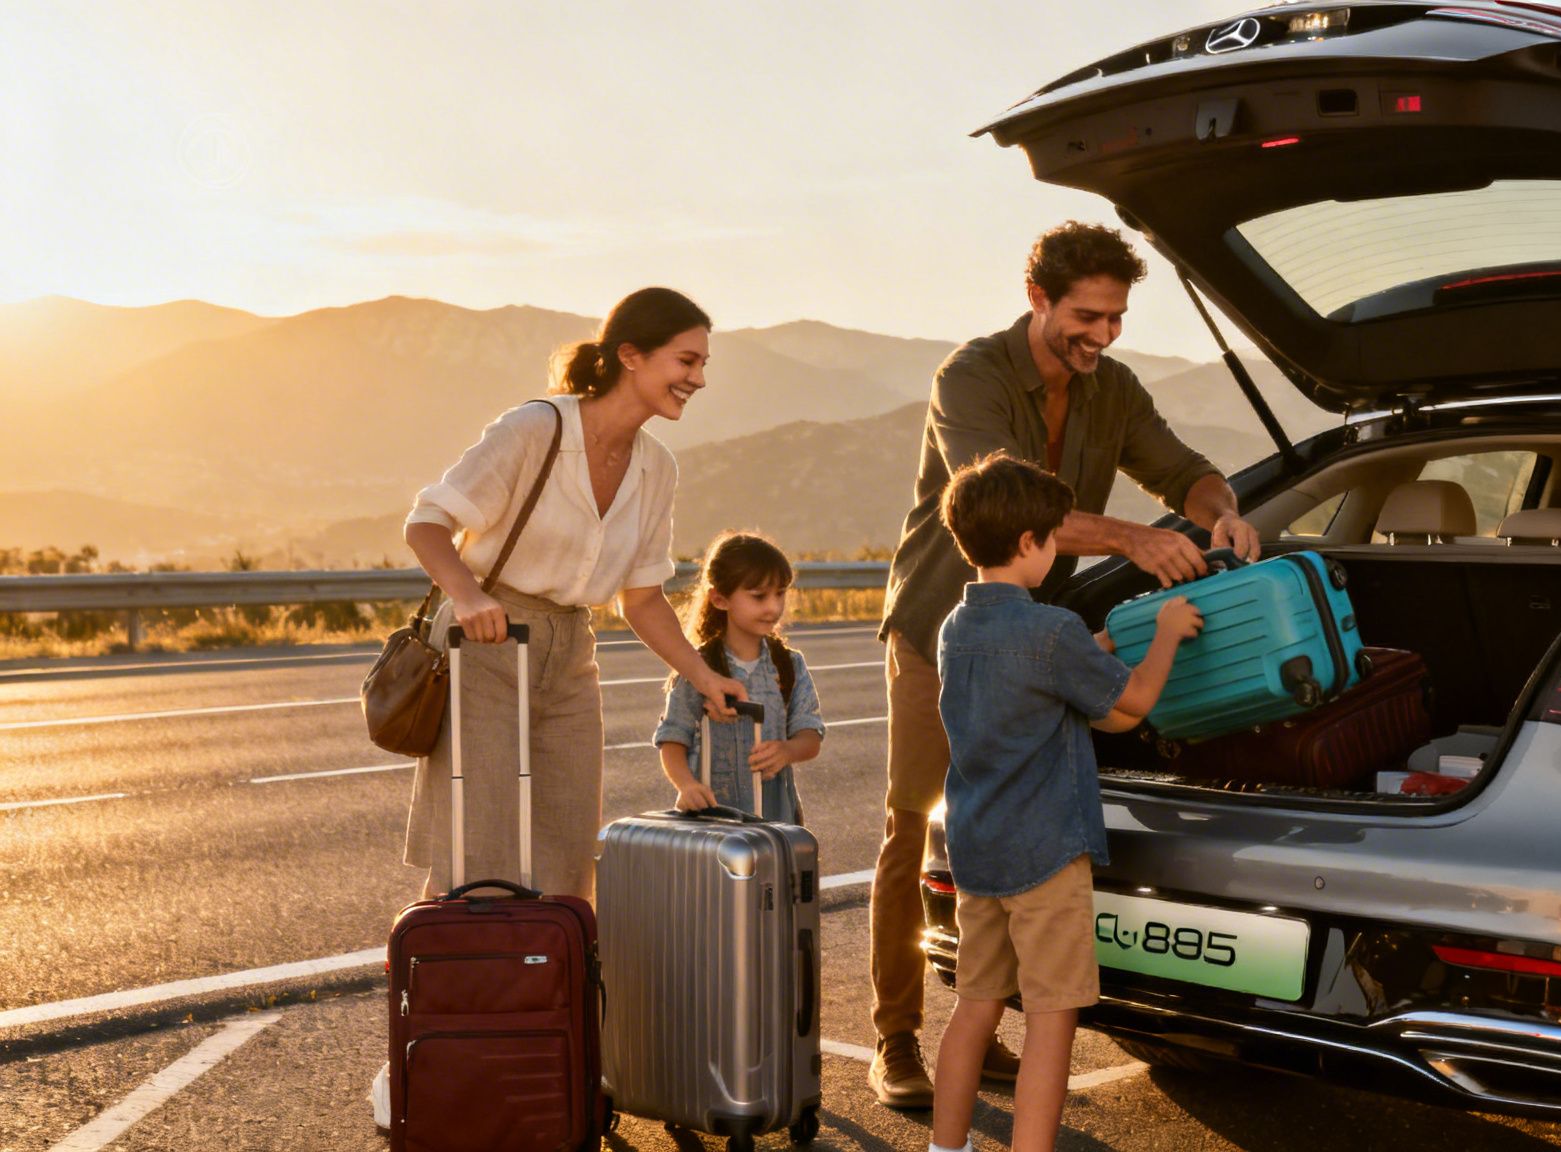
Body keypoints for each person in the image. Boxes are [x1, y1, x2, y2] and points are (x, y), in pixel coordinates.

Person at [867, 220, 1260, 1106]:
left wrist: (1219, 510)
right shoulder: (969, 375)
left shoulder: (1111, 387)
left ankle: (988, 1023)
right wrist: (1134, 537)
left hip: (1042, 634)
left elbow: (1185, 471)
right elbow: (995, 498)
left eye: (1117, 318)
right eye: (1088, 316)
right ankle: (896, 1038)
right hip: (944, 632)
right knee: (914, 827)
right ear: (1038, 298)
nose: (1104, 335)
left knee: (1024, 830)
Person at [401, 286, 748, 904]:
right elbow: (427, 523)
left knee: (568, 858)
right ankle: (440, 992)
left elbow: (642, 599)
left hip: (571, 653)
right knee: (478, 854)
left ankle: (551, 997)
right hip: (487, 643)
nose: (697, 378)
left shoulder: (656, 467)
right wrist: (471, 597)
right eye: (685, 361)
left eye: (702, 365)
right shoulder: (536, 428)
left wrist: (701, 674)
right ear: (631, 355)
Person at [925, 453, 1202, 1152]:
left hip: (978, 851)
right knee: (1052, 1022)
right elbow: (1128, 707)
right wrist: (1165, 633)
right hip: (1045, 855)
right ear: (1029, 545)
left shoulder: (956, 629)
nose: (1053, 549)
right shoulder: (1050, 631)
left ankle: (943, 1146)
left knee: (975, 1009)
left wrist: (1106, 643)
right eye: (1051, 537)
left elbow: (1050, 675)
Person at [653, 531, 825, 821]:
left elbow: (811, 735)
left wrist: (787, 750)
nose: (773, 607)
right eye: (759, 596)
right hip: (712, 817)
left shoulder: (789, 665)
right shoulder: (698, 669)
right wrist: (686, 785)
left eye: (780, 593)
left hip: (776, 816)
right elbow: (672, 739)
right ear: (720, 599)